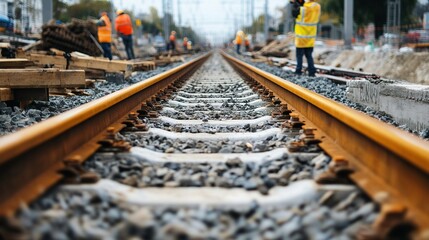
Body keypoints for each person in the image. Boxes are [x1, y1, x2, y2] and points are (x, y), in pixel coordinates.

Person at [292, 0, 320, 77]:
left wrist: (295, 3)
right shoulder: (317, 7)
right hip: (310, 36)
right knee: (309, 55)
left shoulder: (302, 8)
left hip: (301, 37)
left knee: (299, 55)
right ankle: (312, 72)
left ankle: (298, 71)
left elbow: (294, 13)